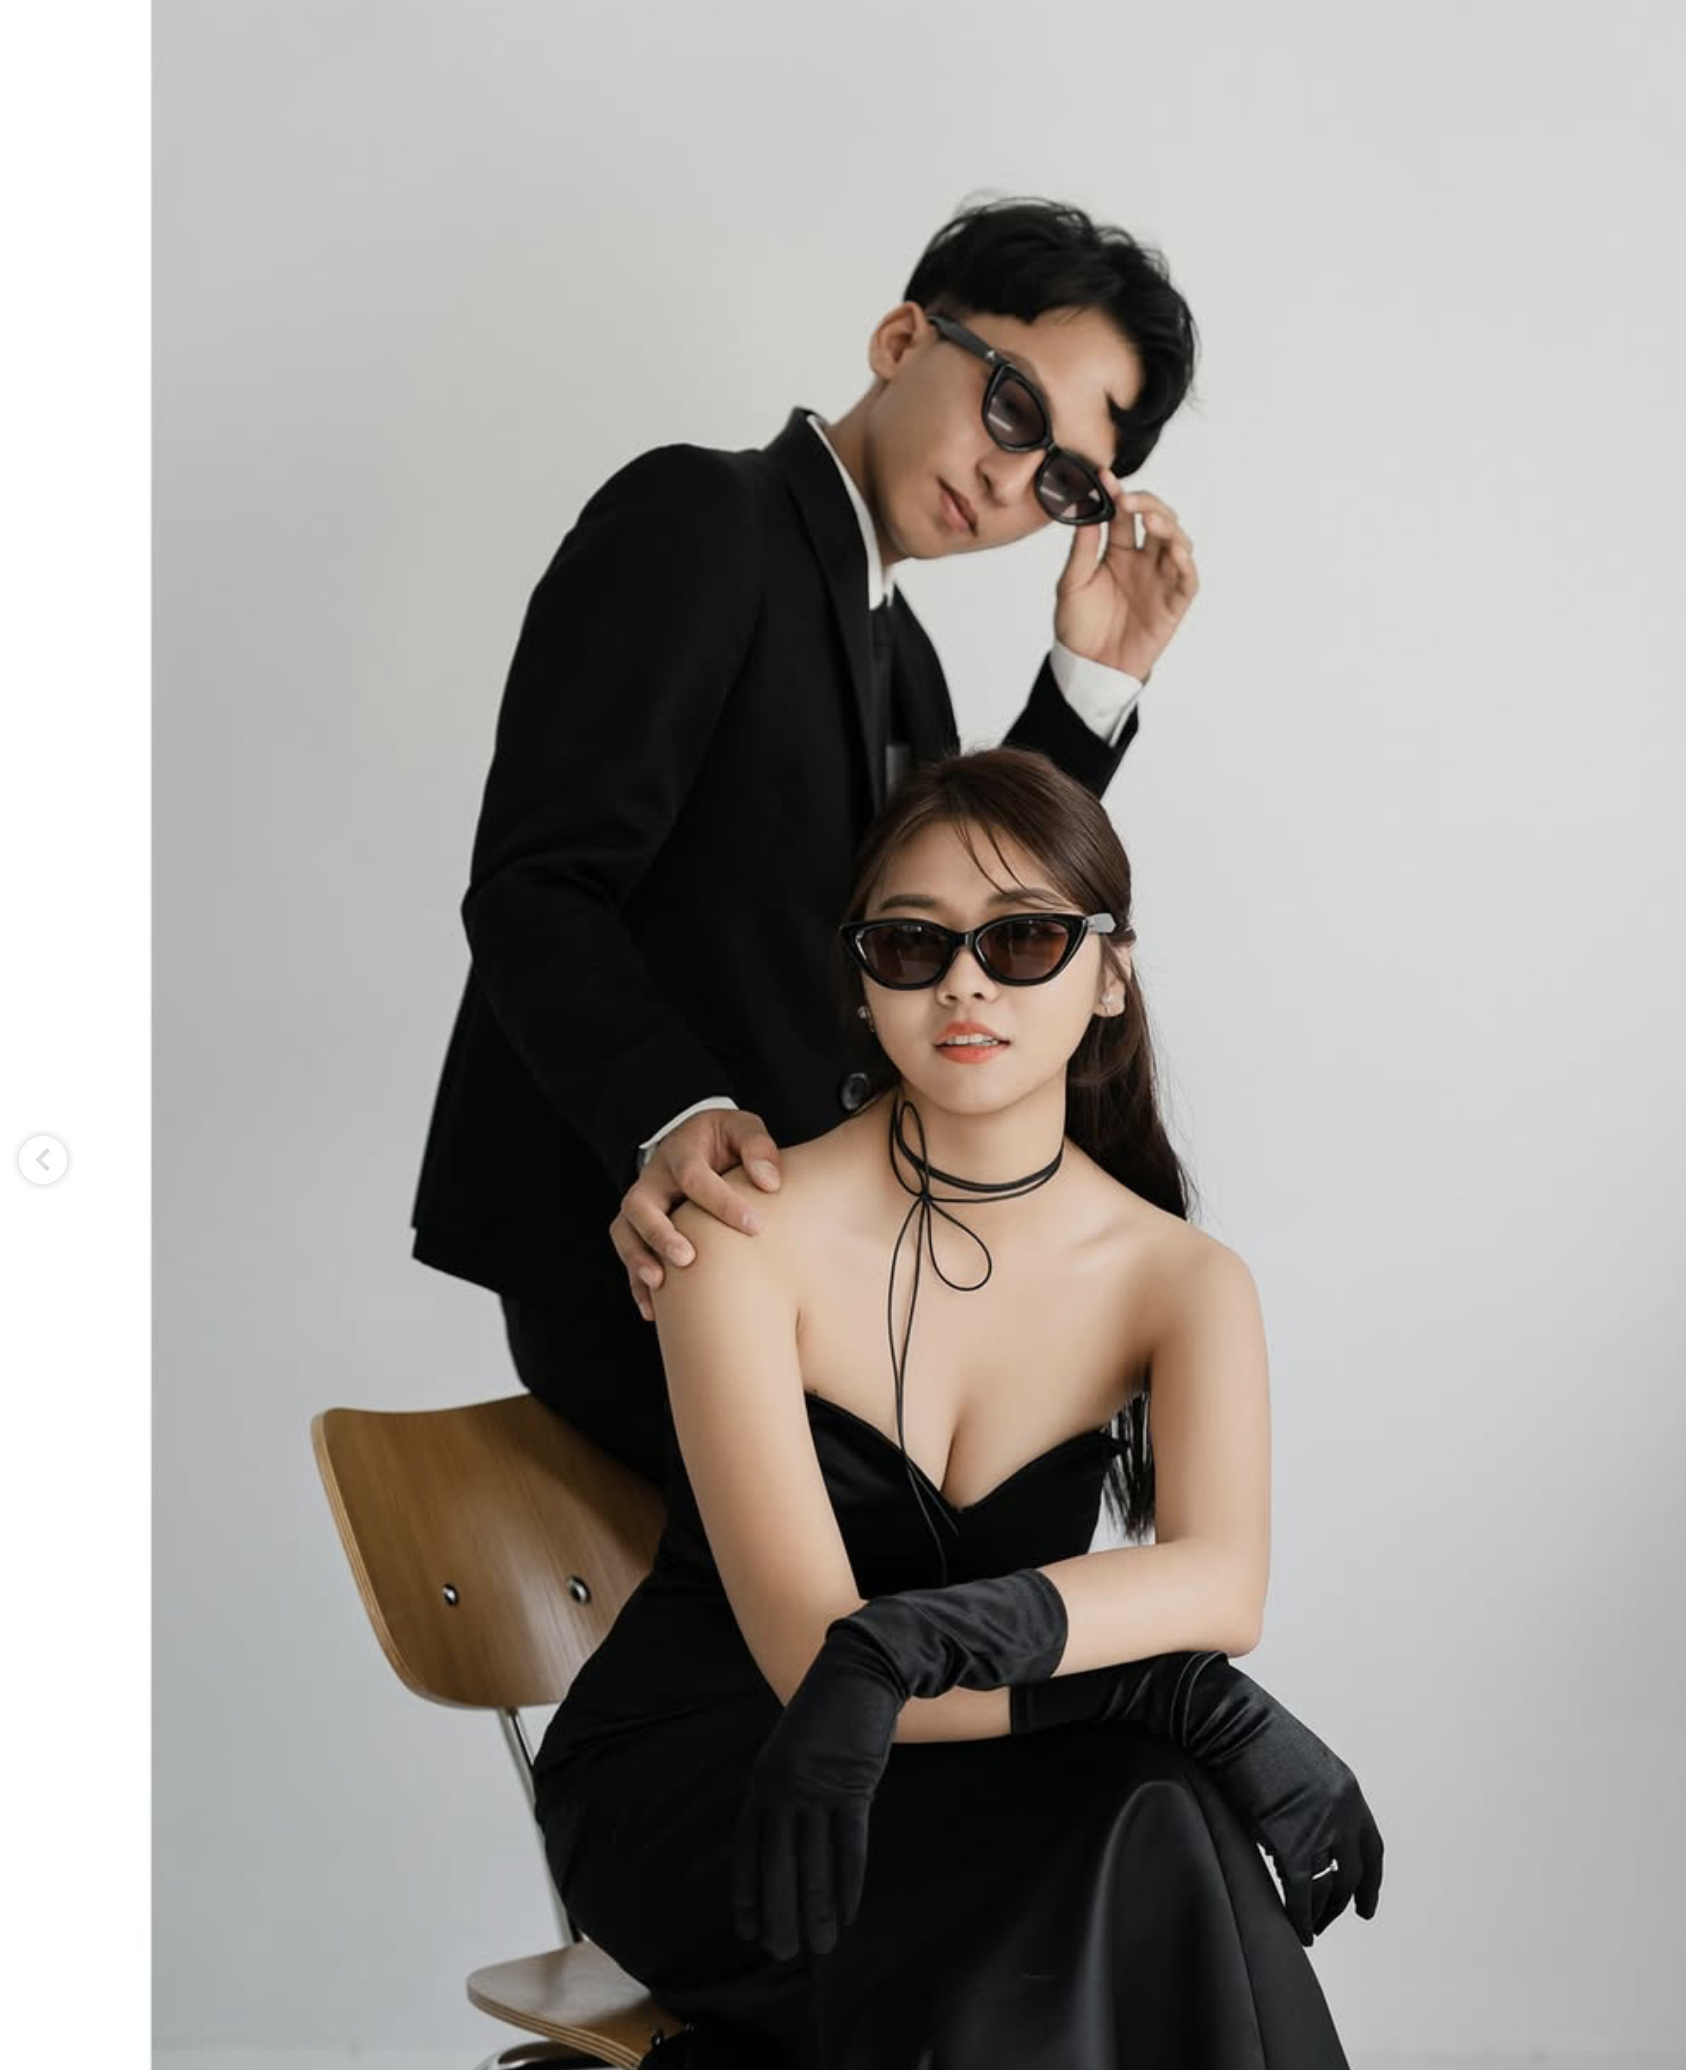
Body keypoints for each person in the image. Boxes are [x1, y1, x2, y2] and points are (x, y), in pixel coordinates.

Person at [533, 748, 1384, 2070]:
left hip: (958, 1768)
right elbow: (811, 1671)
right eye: (911, 943)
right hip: (716, 1776)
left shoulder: (1181, 1280)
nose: (965, 982)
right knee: (1129, 1829)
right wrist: (1157, 1689)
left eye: (1024, 938)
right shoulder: (737, 1234)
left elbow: (1220, 1586)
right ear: (861, 982)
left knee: (1150, 1812)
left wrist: (927, 1651)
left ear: (1110, 973)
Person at [409, 196, 1202, 1484]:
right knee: (946, 1527)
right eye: (1011, 408)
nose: (1009, 481)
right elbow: (538, 885)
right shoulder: (700, 517)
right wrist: (673, 1113)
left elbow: (945, 928)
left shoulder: (907, 658)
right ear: (901, 339)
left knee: (1043, 1462)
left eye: (1060, 479)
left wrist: (1090, 683)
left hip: (809, 1269)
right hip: (646, 1249)